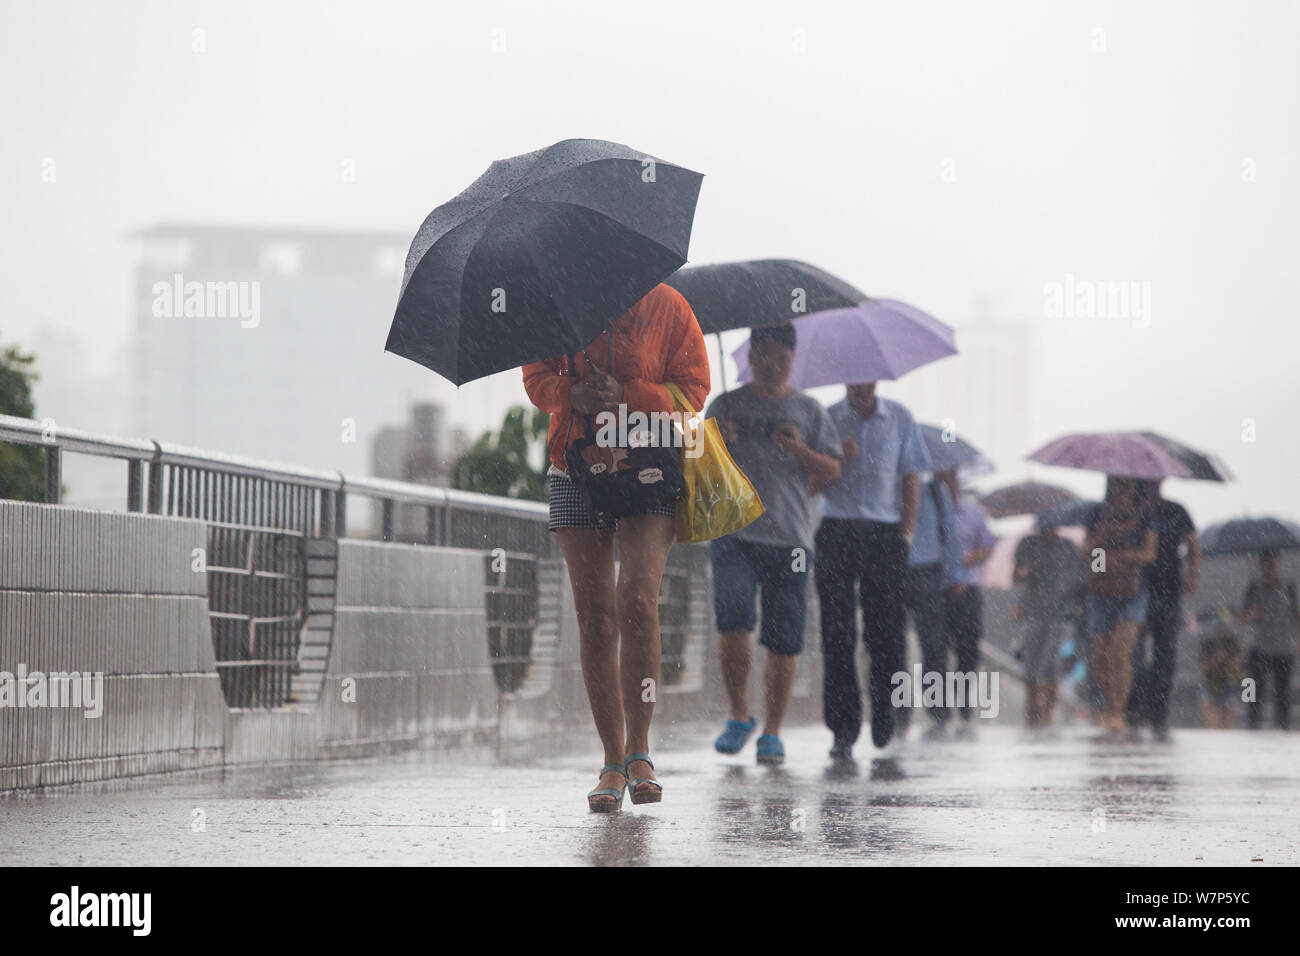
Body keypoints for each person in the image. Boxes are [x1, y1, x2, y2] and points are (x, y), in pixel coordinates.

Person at [522, 283, 709, 812]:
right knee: (596, 615)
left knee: (637, 599)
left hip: (648, 468)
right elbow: (536, 382)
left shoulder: (668, 307)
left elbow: (693, 390)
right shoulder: (554, 305)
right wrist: (572, 394)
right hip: (575, 467)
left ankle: (640, 751)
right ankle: (610, 759)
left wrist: (629, 393)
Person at [705, 324, 842, 765]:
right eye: (763, 356)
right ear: (749, 357)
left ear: (791, 359)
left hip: (791, 539)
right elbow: (699, 468)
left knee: (784, 640)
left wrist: (800, 451)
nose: (771, 366)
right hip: (733, 532)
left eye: (781, 359)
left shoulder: (809, 410)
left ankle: (773, 730)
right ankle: (739, 714)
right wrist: (717, 443)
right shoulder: (723, 405)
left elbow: (830, 472)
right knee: (733, 623)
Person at [817, 383, 930, 756]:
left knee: (886, 632)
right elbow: (813, 482)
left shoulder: (899, 417)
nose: (861, 384)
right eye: (854, 377)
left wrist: (906, 534)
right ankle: (842, 727)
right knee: (837, 632)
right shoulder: (827, 419)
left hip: (885, 535)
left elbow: (910, 476)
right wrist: (840, 462)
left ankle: (886, 714)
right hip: (835, 530)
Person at [1082, 477, 1158, 738]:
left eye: (1125, 485)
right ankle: (1106, 703)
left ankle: (1118, 710)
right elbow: (1087, 549)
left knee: (1120, 654)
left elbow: (1150, 553)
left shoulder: (1145, 515)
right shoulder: (1096, 513)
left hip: (1132, 591)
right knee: (1101, 655)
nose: (1120, 490)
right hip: (1101, 587)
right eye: (1115, 483)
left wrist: (1125, 556)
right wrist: (1101, 539)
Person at [1125, 479, 1199, 741]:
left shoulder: (1176, 511)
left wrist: (1193, 574)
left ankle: (1159, 713)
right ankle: (1135, 709)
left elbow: (1192, 543)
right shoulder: (1134, 511)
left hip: (1169, 590)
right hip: (1138, 591)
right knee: (1134, 654)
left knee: (1165, 655)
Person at [903, 473, 963, 736]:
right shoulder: (894, 486)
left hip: (928, 572)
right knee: (894, 642)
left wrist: (955, 574)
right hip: (894, 568)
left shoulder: (937, 493)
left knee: (933, 643)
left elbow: (950, 533)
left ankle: (937, 707)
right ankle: (899, 707)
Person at [938, 468, 997, 728]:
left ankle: (963, 704)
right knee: (936, 648)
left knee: (967, 650)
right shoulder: (929, 510)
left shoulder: (973, 512)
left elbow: (987, 547)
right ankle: (939, 707)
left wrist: (964, 562)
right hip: (936, 589)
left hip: (968, 590)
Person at [1013, 522, 1087, 727]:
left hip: (1061, 613)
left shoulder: (1069, 547)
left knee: (1052, 664)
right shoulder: (1028, 544)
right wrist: (1024, 575)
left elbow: (1083, 577)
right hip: (1033, 611)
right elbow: (1016, 575)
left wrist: (1080, 602)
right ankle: (1032, 710)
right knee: (1031, 663)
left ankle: (1047, 712)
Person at [1238, 548, 1300, 730]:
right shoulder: (1253, 587)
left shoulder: (1289, 587)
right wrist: (1251, 614)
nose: (1270, 569)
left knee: (1283, 692)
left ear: (1279, 565)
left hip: (1284, 648)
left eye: (1273, 565)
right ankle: (1252, 723)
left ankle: (1283, 725)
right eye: (1266, 565)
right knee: (1252, 689)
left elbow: (1297, 615)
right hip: (1258, 647)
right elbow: (1241, 617)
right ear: (1260, 566)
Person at [1199, 612, 1242, 729]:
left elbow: (1238, 665)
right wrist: (1214, 660)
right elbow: (1204, 666)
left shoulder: (1233, 643)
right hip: (1211, 682)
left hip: (1229, 683)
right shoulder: (1208, 643)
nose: (1223, 630)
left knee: (1228, 719)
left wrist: (1227, 660)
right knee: (1211, 718)